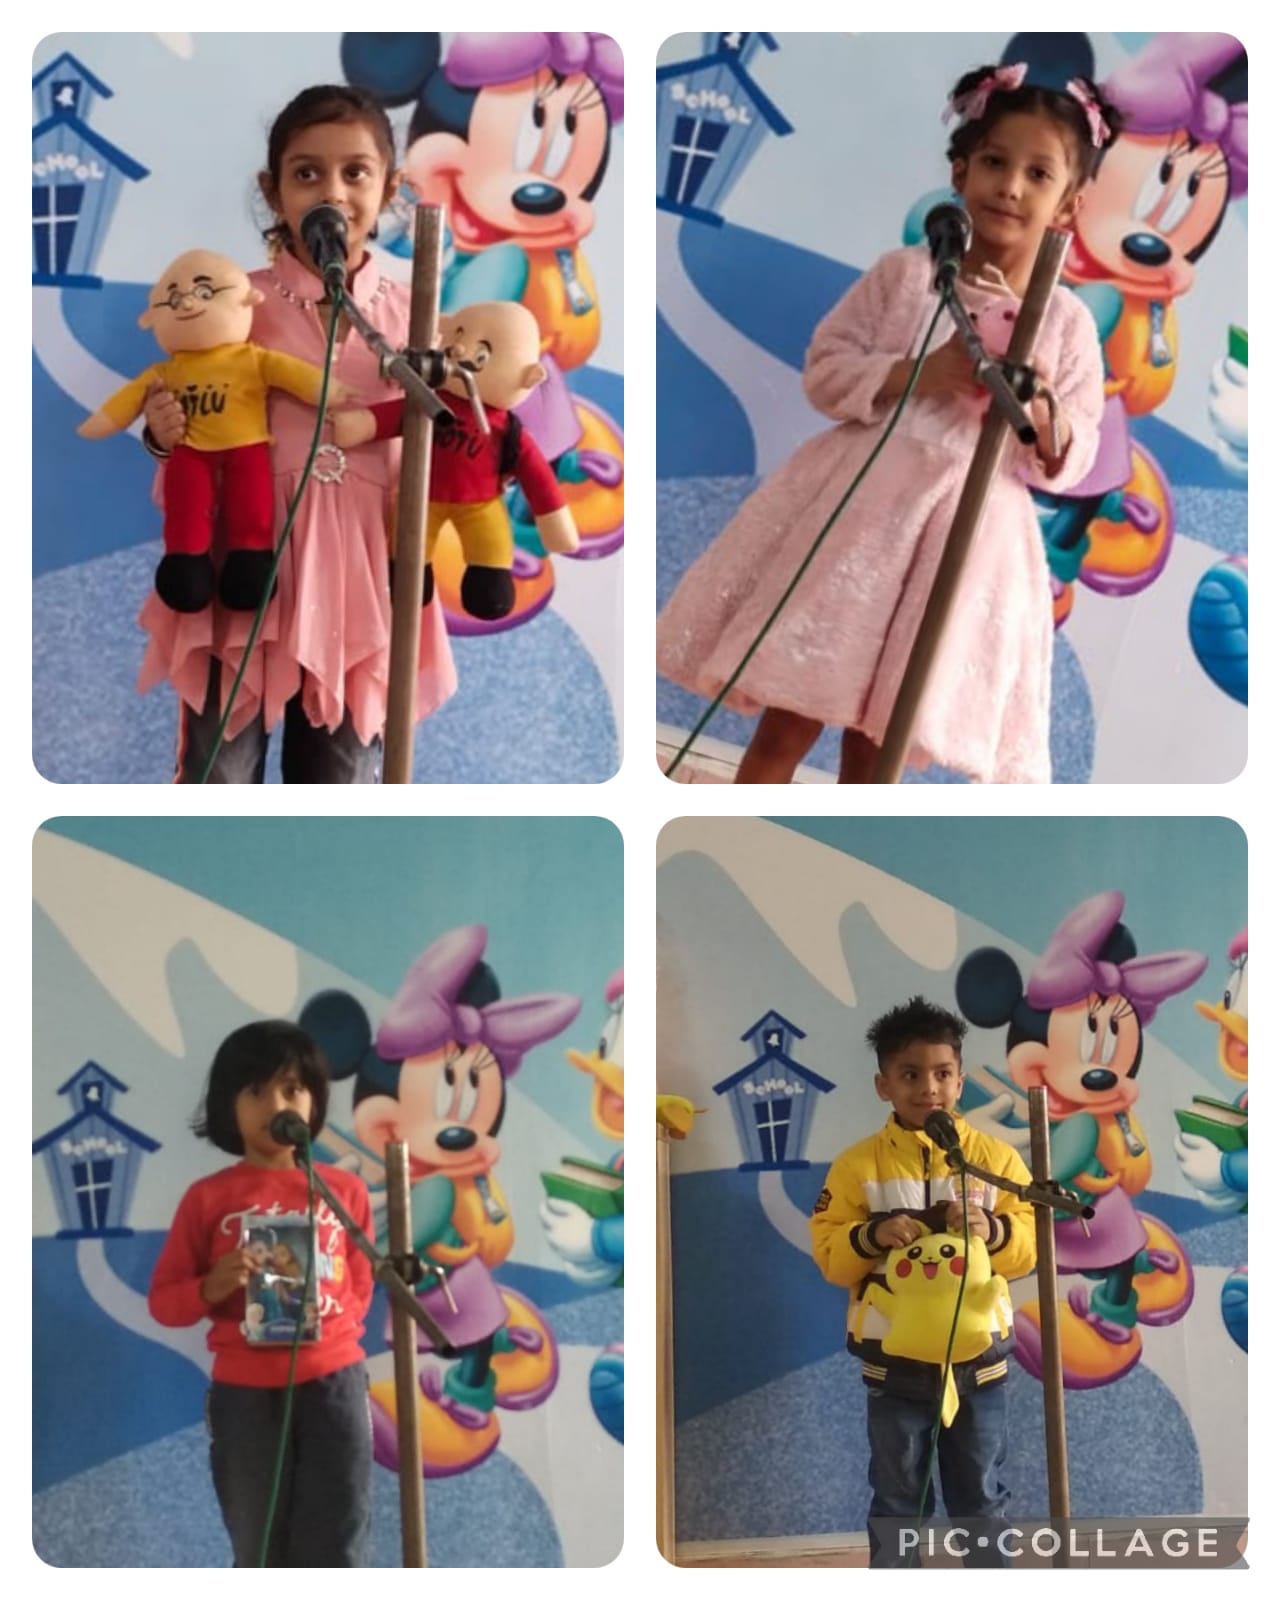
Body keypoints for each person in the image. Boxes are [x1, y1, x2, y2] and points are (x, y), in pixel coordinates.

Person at [657, 62, 1120, 783]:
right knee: (791, 712)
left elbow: (1076, 454)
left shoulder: (1065, 325)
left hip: (965, 542)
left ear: (1069, 204)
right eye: (995, 162)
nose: (1010, 186)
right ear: (960, 170)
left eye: (1038, 174)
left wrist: (1041, 411)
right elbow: (827, 370)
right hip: (859, 527)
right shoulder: (906, 277)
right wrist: (923, 373)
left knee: (881, 743)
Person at [140, 84, 457, 782]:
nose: (332, 191)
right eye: (307, 172)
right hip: (244, 568)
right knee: (221, 771)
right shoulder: (226, 305)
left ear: (391, 188)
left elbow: (443, 450)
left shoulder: (415, 315)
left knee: (342, 780)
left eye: (356, 172)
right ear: (273, 189)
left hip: (359, 580)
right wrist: (162, 434)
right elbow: (187, 437)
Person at [810, 997, 1035, 1567]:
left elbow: (1031, 1248)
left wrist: (994, 1230)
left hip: (979, 1366)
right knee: (898, 1502)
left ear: (960, 1080)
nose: (928, 1088)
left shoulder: (995, 1160)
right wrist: (871, 1236)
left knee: (981, 1499)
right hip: (896, 1371)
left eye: (941, 1073)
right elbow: (831, 1256)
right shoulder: (857, 1167)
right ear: (883, 1085)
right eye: (910, 1075)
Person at [149, 1021, 375, 1566]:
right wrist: (213, 1285)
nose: (276, 1104)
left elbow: (362, 1280)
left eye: (292, 1089)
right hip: (246, 1394)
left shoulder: (344, 1191)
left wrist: (332, 1331)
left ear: (314, 1101)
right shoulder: (208, 1199)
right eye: (256, 1091)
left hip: (334, 1385)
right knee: (259, 1547)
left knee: (339, 1541)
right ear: (229, 1105)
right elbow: (165, 1303)